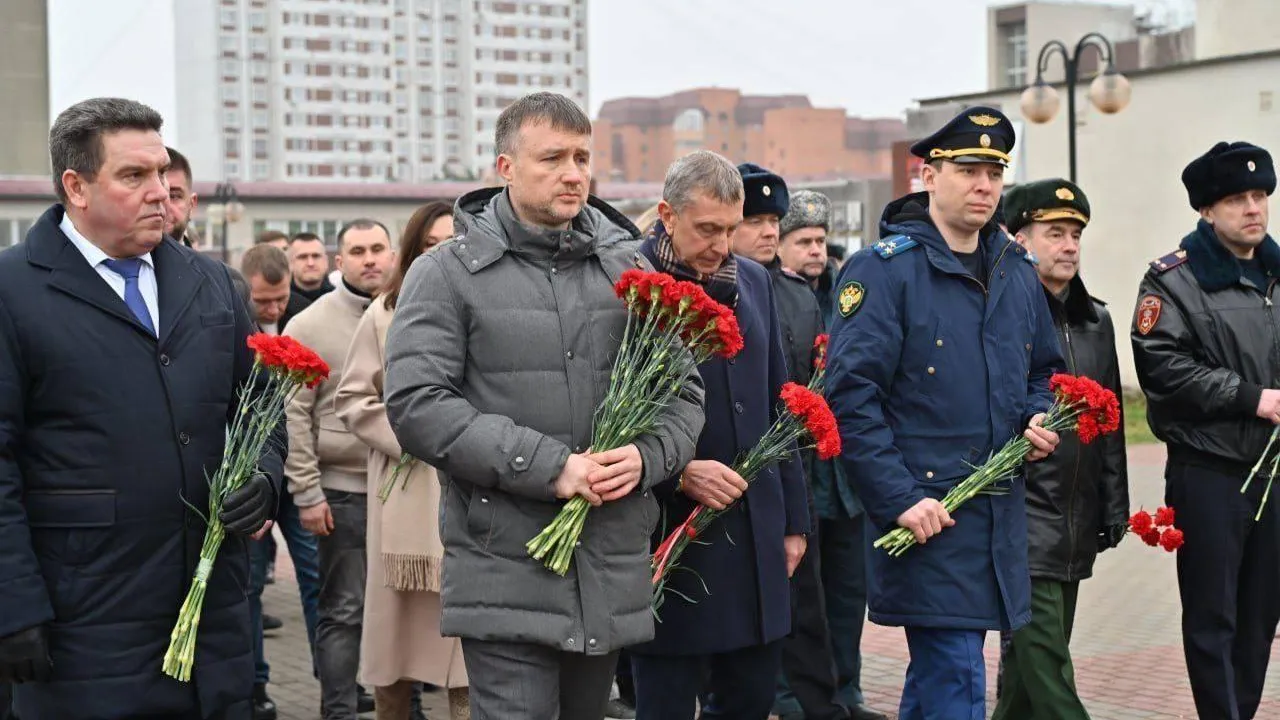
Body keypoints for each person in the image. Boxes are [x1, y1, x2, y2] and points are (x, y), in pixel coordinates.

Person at [383, 91, 705, 720]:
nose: (573, 173)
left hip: (608, 556)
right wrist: (551, 467)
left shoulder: (627, 269)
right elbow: (418, 404)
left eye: (582, 157)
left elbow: (684, 394)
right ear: (505, 168)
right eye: (552, 157)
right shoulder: (446, 273)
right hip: (506, 558)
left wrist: (646, 459)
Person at [0, 97, 282, 719]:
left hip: (214, 617)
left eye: (162, 173)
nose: (161, 192)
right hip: (84, 620)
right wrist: (12, 606)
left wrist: (265, 476)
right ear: (76, 186)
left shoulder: (209, 282)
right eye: (134, 176)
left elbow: (257, 403)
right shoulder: (13, 289)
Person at [825, 106, 1064, 719]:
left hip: (998, 516)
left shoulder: (1017, 273)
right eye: (967, 170)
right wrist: (899, 498)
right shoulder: (883, 272)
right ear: (928, 176)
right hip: (926, 518)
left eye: (994, 171)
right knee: (955, 680)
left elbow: (1044, 370)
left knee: (940, 682)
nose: (984, 185)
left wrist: (1038, 416)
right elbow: (850, 399)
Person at [626, 151, 810, 720]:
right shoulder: (629, 282)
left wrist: (795, 522)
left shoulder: (753, 281)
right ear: (667, 215)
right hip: (668, 532)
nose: (721, 245)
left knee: (751, 699)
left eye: (731, 229)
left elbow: (783, 401)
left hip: (755, 532)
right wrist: (677, 472)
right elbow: (596, 411)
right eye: (706, 229)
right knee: (667, 702)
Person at [1131, 141, 1280, 720]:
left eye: (1260, 195)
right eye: (1237, 198)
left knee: (1261, 615)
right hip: (1211, 473)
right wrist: (1252, 399)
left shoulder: (1275, 272)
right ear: (1207, 211)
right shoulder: (1173, 281)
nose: (1253, 208)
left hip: (1272, 474)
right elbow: (1163, 367)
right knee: (1213, 616)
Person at [993, 178, 1130, 720]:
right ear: (1019, 238)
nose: (1070, 245)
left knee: (1028, 678)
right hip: (1020, 512)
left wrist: (1113, 504)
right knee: (1047, 664)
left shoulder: (1097, 320)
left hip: (1074, 518)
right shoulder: (1003, 314)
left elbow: (1111, 422)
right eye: (1055, 233)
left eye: (1075, 234)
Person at [723, 166, 855, 720]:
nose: (768, 232)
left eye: (774, 220)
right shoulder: (720, 287)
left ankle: (819, 702)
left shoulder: (796, 295)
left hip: (791, 469)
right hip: (723, 476)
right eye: (754, 220)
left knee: (809, 605)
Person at [334, 201, 469, 720]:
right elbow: (352, 399)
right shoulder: (384, 312)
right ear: (414, 250)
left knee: (467, 654)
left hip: (470, 481)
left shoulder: (485, 306)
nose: (445, 253)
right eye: (433, 244)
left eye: (454, 241)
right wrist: (412, 435)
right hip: (407, 487)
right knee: (395, 650)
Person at [775, 189, 884, 720]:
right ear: (780, 244)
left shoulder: (849, 293)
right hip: (802, 468)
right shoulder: (773, 295)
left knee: (848, 591)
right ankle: (790, 690)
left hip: (847, 475)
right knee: (801, 591)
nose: (815, 250)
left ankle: (848, 688)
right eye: (803, 240)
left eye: (820, 240)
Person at [284, 219, 397, 720]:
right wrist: (307, 493)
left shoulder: (411, 312)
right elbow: (292, 414)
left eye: (377, 248)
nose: (369, 259)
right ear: (339, 262)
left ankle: (405, 705)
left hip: (403, 487)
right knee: (345, 610)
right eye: (357, 251)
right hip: (344, 490)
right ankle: (339, 711)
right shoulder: (309, 325)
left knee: (402, 608)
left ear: (393, 254)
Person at [238, 244, 324, 720]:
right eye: (263, 301)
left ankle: (330, 678)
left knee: (315, 577)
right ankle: (256, 685)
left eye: (280, 298)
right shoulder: (234, 322)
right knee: (249, 585)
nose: (272, 309)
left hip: (297, 476)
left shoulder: (303, 316)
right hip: (253, 475)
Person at [290, 232, 335, 302]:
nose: (310, 263)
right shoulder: (279, 303)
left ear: (326, 261)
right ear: (290, 263)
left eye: (316, 256)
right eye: (302, 257)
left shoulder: (341, 301)